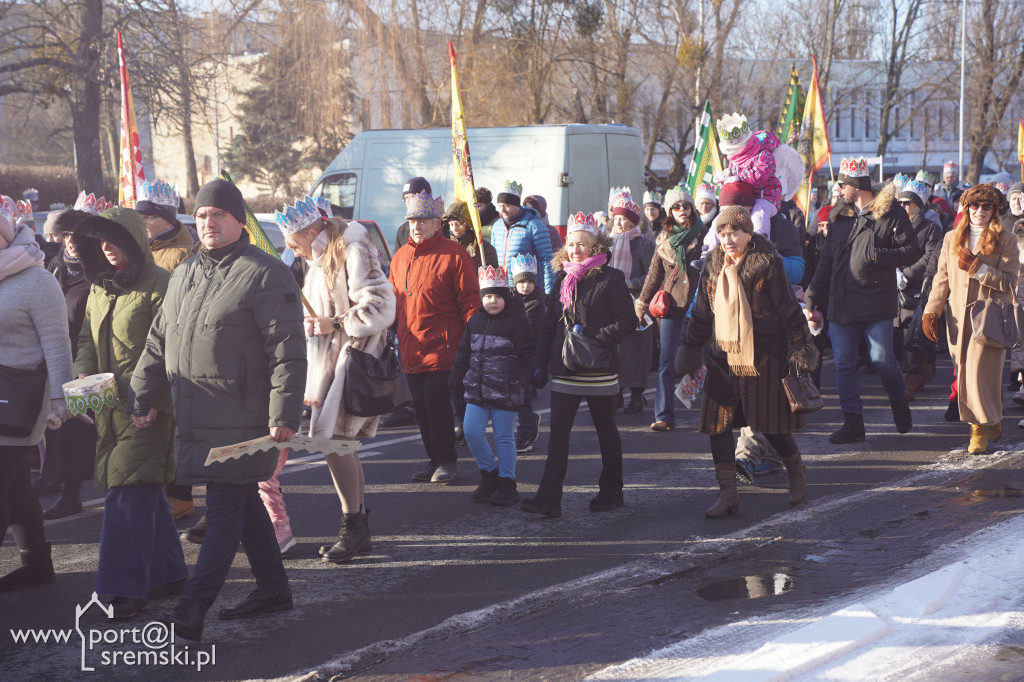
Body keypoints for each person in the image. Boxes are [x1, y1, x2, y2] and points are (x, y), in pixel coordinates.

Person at [131, 178, 307, 642]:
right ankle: (273, 588)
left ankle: (194, 605)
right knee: (242, 500)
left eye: (218, 215)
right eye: (202, 216)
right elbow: (159, 338)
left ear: (237, 220)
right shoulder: (186, 273)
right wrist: (144, 393)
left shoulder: (266, 272)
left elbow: (288, 349)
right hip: (196, 409)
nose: (208, 223)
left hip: (246, 413)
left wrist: (284, 412)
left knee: (225, 505)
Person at [71, 207, 188, 619]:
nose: (108, 248)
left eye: (115, 239)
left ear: (136, 239)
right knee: (143, 489)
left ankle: (123, 589)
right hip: (107, 406)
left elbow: (171, 352)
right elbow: (86, 337)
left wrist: (151, 400)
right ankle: (170, 574)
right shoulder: (100, 287)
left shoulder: (162, 284)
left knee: (125, 495)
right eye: (100, 241)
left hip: (146, 407)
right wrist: (81, 370)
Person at [675, 205, 816, 518]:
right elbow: (701, 315)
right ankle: (728, 494)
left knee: (772, 426)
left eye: (734, 232)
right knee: (718, 427)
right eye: (723, 233)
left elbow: (789, 311)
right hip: (721, 359)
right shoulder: (711, 267)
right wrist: (690, 349)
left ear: (749, 235)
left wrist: (800, 349)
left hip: (763, 358)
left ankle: (796, 470)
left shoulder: (768, 264)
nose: (728, 239)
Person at [277, 195, 395, 563]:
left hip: (353, 360)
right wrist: (314, 324)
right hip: (329, 362)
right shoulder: (318, 258)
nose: (292, 251)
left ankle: (354, 525)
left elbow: (381, 305)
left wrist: (338, 323)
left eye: (294, 243)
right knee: (340, 443)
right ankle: (356, 523)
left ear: (312, 231)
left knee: (333, 443)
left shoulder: (352, 246)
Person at [520, 212, 636, 517]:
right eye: (571, 244)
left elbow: (628, 321)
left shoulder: (611, 278)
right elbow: (548, 325)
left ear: (595, 247)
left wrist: (596, 339)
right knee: (558, 433)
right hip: (564, 369)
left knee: (605, 430)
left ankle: (612, 492)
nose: (575, 250)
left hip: (598, 369)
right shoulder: (562, 278)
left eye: (582, 244)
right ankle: (549, 498)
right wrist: (538, 363)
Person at [804, 157, 920, 444]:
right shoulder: (838, 217)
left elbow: (912, 252)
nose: (839, 188)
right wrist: (812, 295)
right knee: (844, 365)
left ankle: (898, 401)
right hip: (841, 302)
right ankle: (853, 422)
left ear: (855, 186)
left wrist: (880, 256)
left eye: (842, 184)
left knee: (883, 360)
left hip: (876, 301)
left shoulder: (892, 213)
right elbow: (826, 262)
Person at [0, 197, 74, 592]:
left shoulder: (37, 279)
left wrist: (60, 402)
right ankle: (37, 564)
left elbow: (57, 343)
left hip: (18, 402)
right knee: (15, 486)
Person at [389, 190, 479, 484]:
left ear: (437, 223)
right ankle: (432, 458)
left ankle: (446, 460)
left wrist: (474, 338)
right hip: (410, 347)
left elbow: (469, 299)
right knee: (422, 410)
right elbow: (393, 300)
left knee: (436, 404)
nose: (416, 226)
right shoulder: (400, 256)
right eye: (412, 220)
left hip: (444, 347)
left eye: (423, 221)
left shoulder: (454, 253)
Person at [923, 185, 1019, 454]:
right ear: (966, 209)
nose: (979, 211)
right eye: (974, 206)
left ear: (995, 210)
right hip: (957, 319)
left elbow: (1010, 284)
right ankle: (994, 416)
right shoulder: (951, 237)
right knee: (966, 374)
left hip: (988, 319)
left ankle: (978, 429)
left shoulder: (1007, 239)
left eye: (986, 206)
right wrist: (932, 312)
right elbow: (941, 279)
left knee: (976, 376)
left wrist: (979, 269)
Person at [451, 265, 536, 506]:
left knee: (503, 437)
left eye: (497, 296)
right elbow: (464, 353)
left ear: (506, 297)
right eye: (488, 296)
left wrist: (530, 377)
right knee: (471, 431)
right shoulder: (475, 321)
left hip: (506, 391)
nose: (493, 301)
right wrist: (456, 380)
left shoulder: (518, 322)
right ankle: (489, 475)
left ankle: (508, 483)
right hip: (476, 390)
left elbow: (529, 352)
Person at [40, 209, 97, 520]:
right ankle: (63, 488)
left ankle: (74, 492)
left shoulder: (99, 270)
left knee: (85, 430)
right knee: (60, 429)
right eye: (67, 234)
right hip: (58, 359)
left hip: (89, 360)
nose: (72, 241)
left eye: (79, 234)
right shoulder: (56, 265)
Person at [636, 186, 705, 433]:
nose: (682, 211)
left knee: (707, 358)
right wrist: (642, 302)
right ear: (670, 211)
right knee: (667, 359)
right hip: (672, 305)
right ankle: (664, 415)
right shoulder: (663, 239)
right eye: (677, 207)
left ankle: (713, 413)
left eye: (686, 206)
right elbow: (654, 274)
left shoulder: (704, 234)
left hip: (701, 304)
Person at [893, 179, 943, 401]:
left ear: (917, 205)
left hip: (917, 290)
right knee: (896, 339)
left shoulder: (930, 228)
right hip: (894, 291)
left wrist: (907, 274)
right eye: (900, 202)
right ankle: (906, 375)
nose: (903, 206)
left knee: (911, 337)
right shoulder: (894, 226)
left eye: (907, 203)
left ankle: (910, 381)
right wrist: (892, 270)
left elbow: (930, 257)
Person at [608, 189, 655, 414]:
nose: (618, 222)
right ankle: (615, 393)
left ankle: (637, 395)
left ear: (632, 221)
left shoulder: (644, 245)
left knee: (636, 350)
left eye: (622, 219)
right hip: (612, 304)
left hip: (637, 304)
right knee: (614, 348)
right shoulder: (607, 243)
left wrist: (631, 283)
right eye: (615, 218)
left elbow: (653, 275)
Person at [490, 180, 556, 293]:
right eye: (500, 206)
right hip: (503, 288)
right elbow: (492, 257)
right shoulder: (497, 226)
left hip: (527, 289)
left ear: (516, 205)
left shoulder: (534, 225)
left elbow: (547, 260)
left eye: (506, 205)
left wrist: (549, 291)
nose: (502, 210)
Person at [510, 253, 546, 452]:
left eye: (529, 282)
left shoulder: (537, 303)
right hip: (510, 357)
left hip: (527, 357)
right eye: (521, 282)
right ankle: (531, 420)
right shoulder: (510, 301)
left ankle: (524, 436)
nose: (525, 286)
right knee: (512, 400)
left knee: (522, 399)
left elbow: (538, 333)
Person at [135, 179, 195, 274]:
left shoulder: (183, 257)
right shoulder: (134, 251)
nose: (141, 222)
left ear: (168, 223)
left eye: (148, 217)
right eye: (139, 217)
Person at [444, 199, 497, 269]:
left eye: (459, 224)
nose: (455, 229)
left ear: (468, 224)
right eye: (451, 224)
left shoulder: (483, 248)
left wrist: (485, 272)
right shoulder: (444, 246)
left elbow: (492, 273)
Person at [393, 176, 433, 252]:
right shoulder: (403, 230)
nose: (408, 202)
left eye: (412, 197)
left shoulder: (441, 227)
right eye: (406, 198)